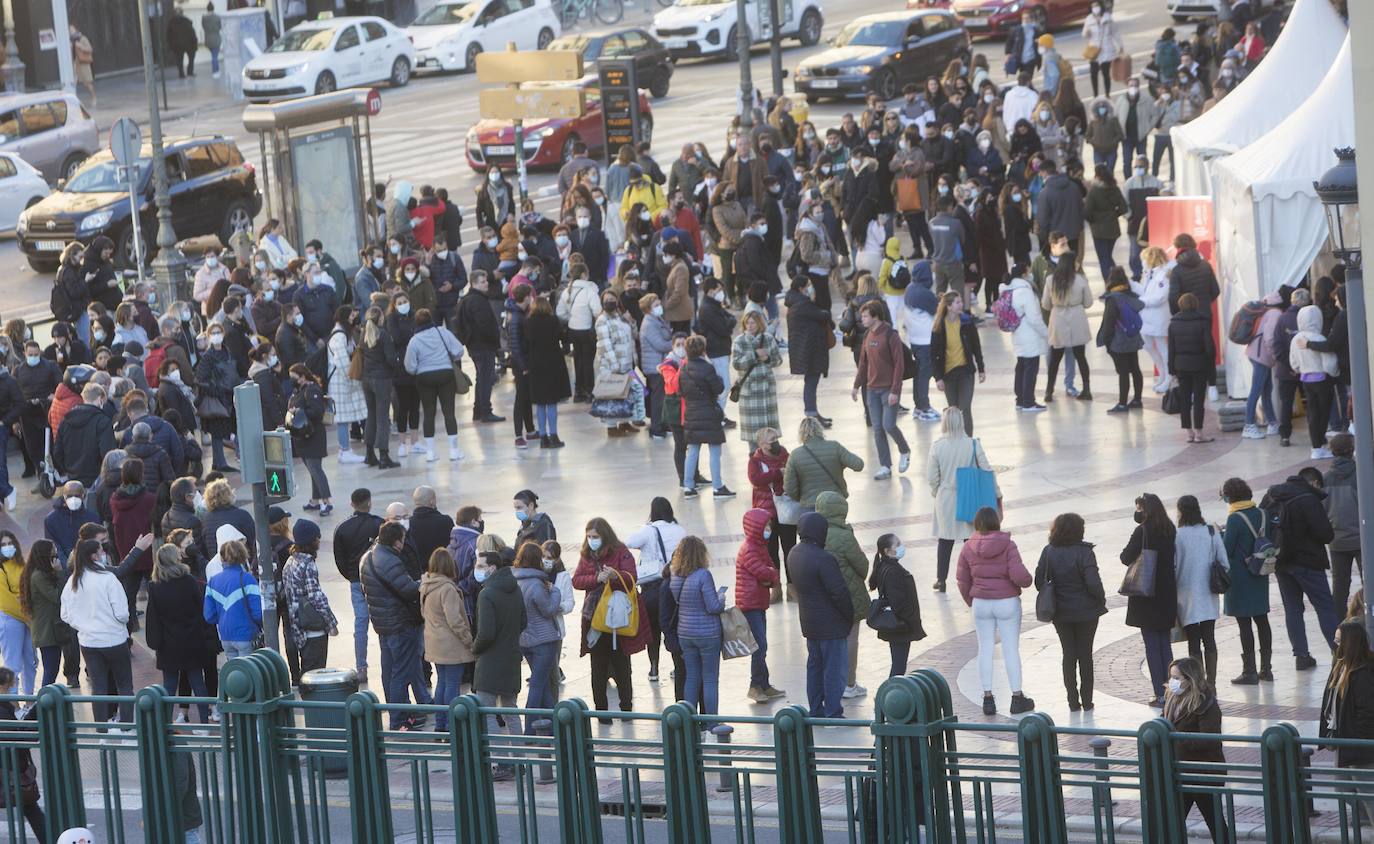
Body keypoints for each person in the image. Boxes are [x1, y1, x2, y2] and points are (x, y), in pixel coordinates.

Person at [957, 508, 1034, 715]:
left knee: (985, 649)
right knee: (1010, 649)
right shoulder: (1007, 545)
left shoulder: (967, 547)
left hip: (981, 602)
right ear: (996, 522)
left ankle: (988, 698)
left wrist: (972, 601)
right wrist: (1028, 581)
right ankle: (1017, 697)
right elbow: (1019, 575)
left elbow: (962, 580)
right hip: (1006, 601)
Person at [1260, 470, 1339, 670]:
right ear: (1311, 482)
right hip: (1309, 562)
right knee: (1324, 606)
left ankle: (1301, 656)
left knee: (1293, 609)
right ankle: (1339, 652)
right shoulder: (1308, 499)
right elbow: (1325, 534)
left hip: (1281, 562)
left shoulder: (1271, 497)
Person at [361, 521, 432, 730]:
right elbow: (409, 590)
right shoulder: (389, 560)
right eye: (402, 539)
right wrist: (423, 582)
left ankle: (399, 714)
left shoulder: (369, 555)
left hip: (384, 623)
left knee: (390, 670)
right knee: (400, 673)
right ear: (396, 541)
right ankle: (399, 720)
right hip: (400, 624)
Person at [1033, 513, 1108, 710]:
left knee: (1068, 654)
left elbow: (1039, 581)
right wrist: (1100, 599)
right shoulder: (1085, 552)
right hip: (1087, 612)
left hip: (1060, 612)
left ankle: (1072, 701)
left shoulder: (1048, 551)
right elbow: (1093, 582)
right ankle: (1088, 700)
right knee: (1085, 655)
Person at [572, 518, 641, 718]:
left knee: (622, 663)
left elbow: (632, 577)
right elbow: (576, 580)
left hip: (618, 619)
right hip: (594, 618)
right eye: (589, 537)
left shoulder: (620, 551)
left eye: (596, 536)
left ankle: (626, 707)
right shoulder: (586, 555)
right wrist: (595, 579)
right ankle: (601, 711)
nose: (592, 540)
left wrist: (615, 575)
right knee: (598, 667)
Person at [787, 512, 853, 718]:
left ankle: (816, 709)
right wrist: (848, 616)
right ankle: (833, 711)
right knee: (834, 670)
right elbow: (839, 593)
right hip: (831, 624)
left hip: (809, 623)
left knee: (814, 668)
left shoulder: (793, 553)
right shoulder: (824, 558)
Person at [926, 407, 1000, 593]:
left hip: (946, 497)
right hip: (969, 496)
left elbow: (932, 477)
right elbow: (986, 470)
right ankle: (974, 576)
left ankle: (941, 579)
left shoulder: (937, 446)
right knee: (971, 540)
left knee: (945, 540)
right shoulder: (972, 444)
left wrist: (937, 492)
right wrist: (997, 493)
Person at [61, 539, 134, 725]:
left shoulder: (72, 582)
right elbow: (122, 613)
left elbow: (65, 615)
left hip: (89, 642)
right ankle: (126, 727)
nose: (104, 554)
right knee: (124, 684)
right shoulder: (107, 578)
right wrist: (115, 622)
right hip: (114, 639)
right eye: (101, 551)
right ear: (94, 555)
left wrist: (83, 625)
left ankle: (102, 730)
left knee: (98, 687)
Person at [144, 543, 215, 723]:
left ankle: (165, 722)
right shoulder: (188, 581)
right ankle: (204, 721)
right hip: (192, 640)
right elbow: (201, 608)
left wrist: (156, 642)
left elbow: (153, 617)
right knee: (198, 681)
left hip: (168, 644)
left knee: (169, 684)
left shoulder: (155, 587)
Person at [471, 544, 525, 775]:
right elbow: (523, 622)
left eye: (481, 565)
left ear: (492, 568)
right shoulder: (515, 588)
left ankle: (502, 763)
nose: (477, 569)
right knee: (510, 710)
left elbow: (486, 634)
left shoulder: (487, 593)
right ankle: (520, 761)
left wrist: (474, 649)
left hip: (490, 661)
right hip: (511, 656)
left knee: (487, 711)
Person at [1120, 493, 1178, 706]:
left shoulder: (1142, 531)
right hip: (1167, 593)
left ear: (1145, 510)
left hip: (1147, 594)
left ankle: (1159, 693)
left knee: (1152, 646)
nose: (1136, 513)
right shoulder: (1170, 529)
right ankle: (1172, 688)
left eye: (1138, 509)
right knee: (1165, 644)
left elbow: (1125, 557)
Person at [1163, 656, 1228, 842]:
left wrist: (1174, 739)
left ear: (1190, 679)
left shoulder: (1206, 703)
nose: (1172, 682)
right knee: (1172, 822)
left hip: (1203, 772)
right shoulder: (1172, 699)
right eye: (1171, 677)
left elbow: (1209, 739)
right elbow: (1164, 724)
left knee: (1214, 822)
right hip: (1181, 771)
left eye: (1177, 678)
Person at [623, 498, 685, 684]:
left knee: (654, 630)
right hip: (676, 585)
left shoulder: (649, 530)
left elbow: (629, 542)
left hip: (653, 589)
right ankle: (677, 665)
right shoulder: (680, 529)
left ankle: (654, 668)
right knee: (674, 628)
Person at [1218, 477, 1273, 685]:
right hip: (1259, 573)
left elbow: (1228, 549)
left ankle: (1249, 671)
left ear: (1229, 496)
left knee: (1244, 624)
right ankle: (1266, 669)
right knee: (1262, 620)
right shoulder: (1262, 513)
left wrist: (1222, 533)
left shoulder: (1234, 519)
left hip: (1240, 577)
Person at [1320, 620, 1374, 828]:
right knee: (1343, 789)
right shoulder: (1340, 667)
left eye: (1338, 640)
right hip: (1344, 743)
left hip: (1359, 747)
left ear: (1350, 643)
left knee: (1368, 796)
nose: (1334, 644)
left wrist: (1357, 740)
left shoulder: (1362, 674)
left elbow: (1367, 713)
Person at [851, 301, 912, 479]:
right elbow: (863, 363)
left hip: (888, 389)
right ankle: (885, 465)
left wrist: (895, 390)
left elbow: (899, 364)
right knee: (877, 428)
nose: (862, 319)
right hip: (871, 389)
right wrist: (856, 386)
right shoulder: (867, 335)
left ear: (875, 316)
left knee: (889, 425)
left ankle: (904, 450)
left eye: (865, 316)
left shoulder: (890, 335)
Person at [669, 535, 725, 720]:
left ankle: (689, 721)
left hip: (685, 633)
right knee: (709, 679)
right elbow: (713, 607)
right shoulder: (703, 575)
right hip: (708, 634)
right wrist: (721, 599)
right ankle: (711, 722)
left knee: (692, 678)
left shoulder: (675, 576)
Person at [733, 507, 784, 702]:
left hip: (758, 602)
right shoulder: (749, 550)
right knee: (759, 646)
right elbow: (765, 573)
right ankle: (755, 686)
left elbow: (772, 571)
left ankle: (764, 684)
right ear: (756, 527)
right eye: (767, 526)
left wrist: (770, 577)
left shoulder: (760, 546)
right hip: (750, 604)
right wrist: (770, 577)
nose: (769, 529)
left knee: (762, 645)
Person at [1174, 495, 1225, 686]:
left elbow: (1173, 566)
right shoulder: (1211, 531)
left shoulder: (1177, 535)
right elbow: (1224, 562)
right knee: (1209, 639)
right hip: (1208, 595)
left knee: (1193, 642)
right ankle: (1211, 683)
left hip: (1186, 596)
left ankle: (1198, 683)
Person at [421, 548, 473, 733]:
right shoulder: (447, 588)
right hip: (451, 645)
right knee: (452, 684)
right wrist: (469, 641)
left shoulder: (426, 584)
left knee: (442, 683)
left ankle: (440, 724)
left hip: (434, 642)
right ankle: (452, 725)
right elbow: (455, 620)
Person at [511, 541, 561, 727]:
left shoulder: (514, 581)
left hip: (525, 640)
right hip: (543, 641)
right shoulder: (537, 584)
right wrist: (555, 592)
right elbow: (548, 609)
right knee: (538, 684)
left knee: (543, 685)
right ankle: (530, 729)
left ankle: (553, 725)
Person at [679, 335, 734, 499]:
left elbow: (680, 391)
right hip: (709, 413)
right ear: (703, 350)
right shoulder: (708, 368)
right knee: (715, 452)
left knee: (692, 452)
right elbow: (718, 388)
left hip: (691, 414)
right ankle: (718, 486)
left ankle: (688, 486)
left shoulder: (683, 369)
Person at [281, 520, 336, 676]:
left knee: (307, 672)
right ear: (310, 541)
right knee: (315, 674)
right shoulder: (308, 564)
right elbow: (316, 597)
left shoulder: (290, 561)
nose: (319, 540)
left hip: (298, 627)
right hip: (313, 629)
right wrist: (331, 623)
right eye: (317, 537)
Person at [868, 534, 925, 678]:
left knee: (898, 664)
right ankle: (889, 696)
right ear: (887, 551)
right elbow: (898, 602)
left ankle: (890, 694)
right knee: (899, 666)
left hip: (897, 625)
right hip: (900, 626)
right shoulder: (893, 571)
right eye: (897, 544)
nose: (901, 547)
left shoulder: (885, 566)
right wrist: (910, 619)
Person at [0, 665, 46, 841]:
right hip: (11, 770)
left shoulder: (5, 708)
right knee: (30, 808)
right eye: (9, 687)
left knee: (30, 808)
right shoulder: (3, 709)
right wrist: (35, 713)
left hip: (9, 769)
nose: (12, 691)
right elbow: (19, 738)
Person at [781, 416, 865, 512]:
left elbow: (789, 487)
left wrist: (802, 498)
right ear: (820, 429)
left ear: (800, 434)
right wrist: (841, 464)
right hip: (835, 501)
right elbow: (859, 465)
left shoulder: (795, 455)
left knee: (814, 527)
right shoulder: (835, 447)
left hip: (810, 505)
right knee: (836, 527)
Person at [1041, 253, 1094, 403]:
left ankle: (1049, 391)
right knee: (1081, 357)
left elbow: (1045, 304)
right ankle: (1087, 389)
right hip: (1077, 318)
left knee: (1055, 359)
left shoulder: (1051, 280)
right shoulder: (1080, 280)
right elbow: (1089, 302)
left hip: (1058, 319)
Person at [1291, 304, 1340, 459]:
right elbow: (1330, 364)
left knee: (1312, 413)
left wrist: (1301, 368)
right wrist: (1335, 373)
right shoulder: (1319, 338)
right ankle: (1319, 446)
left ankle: (1315, 447)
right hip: (1322, 380)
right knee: (1323, 413)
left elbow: (1294, 363)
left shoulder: (1296, 339)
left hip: (1306, 379)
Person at [1167, 293, 1217, 442]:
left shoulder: (1173, 323)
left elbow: (1171, 349)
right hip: (1199, 365)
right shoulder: (1203, 321)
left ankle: (1189, 432)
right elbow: (1209, 348)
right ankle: (1199, 433)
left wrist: (1171, 370)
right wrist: (1210, 365)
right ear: (1196, 304)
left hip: (1181, 365)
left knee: (1185, 400)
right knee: (1199, 400)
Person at [784, 275, 833, 425]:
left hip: (806, 349)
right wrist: (816, 301)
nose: (811, 287)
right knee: (811, 382)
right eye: (809, 285)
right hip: (809, 350)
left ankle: (813, 412)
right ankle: (811, 414)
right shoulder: (803, 304)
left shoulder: (795, 302)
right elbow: (823, 315)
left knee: (811, 381)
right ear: (801, 288)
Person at [202, 539, 261, 661]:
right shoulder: (248, 579)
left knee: (234, 675)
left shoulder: (213, 581)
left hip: (225, 636)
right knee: (249, 674)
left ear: (222, 558)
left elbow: (209, 616)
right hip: (246, 634)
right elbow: (258, 613)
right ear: (243, 556)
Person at [1001, 265, 1049, 411]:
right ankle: (1029, 401)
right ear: (1024, 274)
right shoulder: (1025, 291)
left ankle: (1020, 400)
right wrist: (1047, 333)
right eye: (1028, 272)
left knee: (1021, 366)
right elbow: (1034, 318)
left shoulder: (1008, 289)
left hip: (1017, 334)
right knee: (1031, 368)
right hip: (1030, 335)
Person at [1096, 268, 1145, 413]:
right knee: (1135, 369)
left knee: (1123, 372)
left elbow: (1108, 323)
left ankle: (1122, 404)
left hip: (1119, 341)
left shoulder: (1113, 299)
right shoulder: (1131, 295)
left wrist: (1106, 341)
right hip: (1133, 337)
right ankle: (1137, 400)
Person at [524, 297, 570, 449]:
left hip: (535, 364)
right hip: (553, 362)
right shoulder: (553, 320)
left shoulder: (528, 322)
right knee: (551, 402)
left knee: (540, 402)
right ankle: (554, 435)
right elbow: (563, 337)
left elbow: (526, 343)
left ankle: (543, 437)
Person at [286, 365, 332, 515]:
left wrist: (299, 411)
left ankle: (326, 501)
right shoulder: (299, 391)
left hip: (314, 436)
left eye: (294, 377)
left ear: (303, 376)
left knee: (316, 469)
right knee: (312, 470)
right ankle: (315, 500)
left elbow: (317, 411)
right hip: (303, 437)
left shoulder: (312, 390)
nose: (292, 380)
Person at [731, 311, 782, 445]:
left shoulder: (769, 339)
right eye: (747, 322)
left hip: (766, 390)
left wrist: (767, 359)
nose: (750, 325)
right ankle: (755, 460)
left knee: (770, 433)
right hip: (749, 392)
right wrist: (753, 355)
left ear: (759, 323)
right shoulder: (739, 341)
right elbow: (736, 364)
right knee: (753, 435)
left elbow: (778, 361)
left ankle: (771, 461)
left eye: (753, 322)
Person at [0, 533, 35, 695]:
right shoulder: (1, 568)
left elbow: (29, 589)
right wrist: (27, 618)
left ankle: (29, 701)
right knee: (13, 665)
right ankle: (12, 705)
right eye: (3, 544)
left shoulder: (23, 564)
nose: (8, 547)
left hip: (27, 618)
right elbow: (6, 601)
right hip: (11, 620)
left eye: (10, 542)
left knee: (31, 662)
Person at [70, 25, 97, 105]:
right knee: (72, 84)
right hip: (74, 64)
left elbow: (90, 49)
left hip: (83, 63)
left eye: (72, 30)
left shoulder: (82, 38)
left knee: (87, 83)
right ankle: (73, 102)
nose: (71, 32)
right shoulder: (70, 40)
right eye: (69, 30)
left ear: (76, 29)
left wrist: (81, 46)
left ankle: (94, 97)